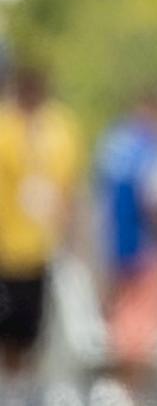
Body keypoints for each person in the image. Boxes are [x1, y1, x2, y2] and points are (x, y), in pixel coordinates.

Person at [93, 88, 157, 394]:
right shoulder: (153, 150)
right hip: (145, 252)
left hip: (115, 251)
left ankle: (120, 393)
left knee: (120, 329)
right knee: (142, 335)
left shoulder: (112, 145)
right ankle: (131, 394)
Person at [0, 66, 83, 399]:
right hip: (7, 250)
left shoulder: (59, 129)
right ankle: (9, 386)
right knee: (9, 330)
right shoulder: (5, 129)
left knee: (36, 328)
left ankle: (24, 389)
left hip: (42, 250)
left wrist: (67, 233)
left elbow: (68, 189)